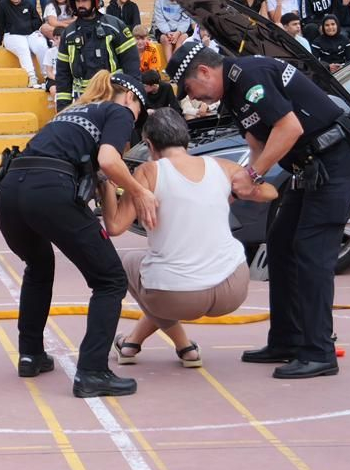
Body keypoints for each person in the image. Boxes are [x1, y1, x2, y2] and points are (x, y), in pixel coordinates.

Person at [167, 37, 350, 379]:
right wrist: (232, 188)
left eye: (189, 87)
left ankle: (318, 351)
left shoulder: (251, 75)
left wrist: (253, 174)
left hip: (337, 158)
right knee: (279, 243)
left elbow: (289, 128)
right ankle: (286, 340)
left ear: (203, 71)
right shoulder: (232, 91)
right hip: (310, 164)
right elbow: (256, 142)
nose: (192, 98)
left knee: (311, 250)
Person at [0, 70, 155, 396]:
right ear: (130, 98)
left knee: (38, 267)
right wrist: (140, 191)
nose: (131, 127)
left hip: (10, 190)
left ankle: (31, 354)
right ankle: (93, 371)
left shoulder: (70, 114)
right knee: (110, 280)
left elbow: (104, 195)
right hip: (49, 189)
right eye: (138, 112)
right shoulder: (118, 110)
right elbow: (109, 160)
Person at [103, 108, 277, 368]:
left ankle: (182, 344)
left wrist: (105, 184)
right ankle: (135, 343)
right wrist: (244, 181)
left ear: (149, 144)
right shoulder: (222, 166)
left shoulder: (149, 172)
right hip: (233, 287)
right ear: (187, 140)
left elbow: (115, 226)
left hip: (177, 296)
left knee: (131, 264)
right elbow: (270, 193)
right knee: (159, 272)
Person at [53, 0, 140, 110]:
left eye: (85, 0)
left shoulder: (114, 26)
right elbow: (63, 74)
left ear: (95, 0)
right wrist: (62, 107)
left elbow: (131, 63)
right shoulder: (68, 34)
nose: (80, 4)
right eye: (77, 1)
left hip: (114, 96)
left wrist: (132, 97)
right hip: (83, 100)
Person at [0, 0, 47, 89]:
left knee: (41, 46)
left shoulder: (28, 4)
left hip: (29, 34)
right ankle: (32, 78)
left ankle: (48, 77)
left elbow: (37, 21)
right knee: (23, 47)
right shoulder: (2, 5)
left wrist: (27, 26)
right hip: (12, 35)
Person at [151, 0, 193, 64]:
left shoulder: (185, 3)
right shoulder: (159, 2)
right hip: (164, 31)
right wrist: (167, 32)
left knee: (182, 38)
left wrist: (178, 33)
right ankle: (170, 67)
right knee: (165, 40)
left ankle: (174, 64)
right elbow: (160, 20)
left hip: (181, 31)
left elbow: (185, 21)